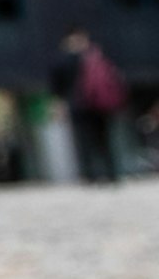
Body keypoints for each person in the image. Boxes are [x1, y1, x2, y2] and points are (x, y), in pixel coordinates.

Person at [52, 29, 128, 186]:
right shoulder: (97, 56)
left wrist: (59, 106)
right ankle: (111, 174)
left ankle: (90, 176)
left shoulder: (64, 60)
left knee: (84, 143)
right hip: (100, 106)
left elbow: (57, 87)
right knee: (104, 141)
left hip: (79, 106)